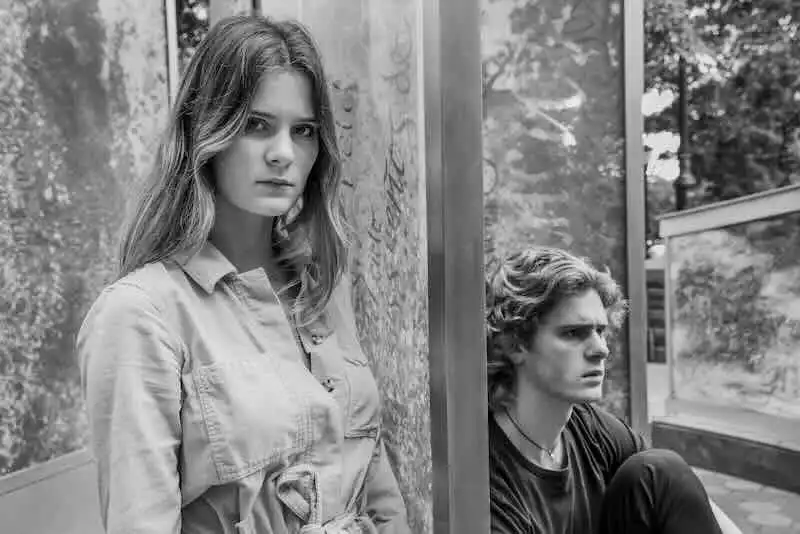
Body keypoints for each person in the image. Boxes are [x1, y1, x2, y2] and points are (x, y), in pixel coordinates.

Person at [77, 15, 409, 534]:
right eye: (256, 125)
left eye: (303, 131)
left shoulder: (324, 286)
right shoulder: (142, 315)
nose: (283, 153)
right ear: (206, 132)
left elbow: (370, 463)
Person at [485, 247, 741, 534]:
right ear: (514, 344)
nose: (601, 349)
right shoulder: (488, 480)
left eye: (601, 331)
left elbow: (687, 497)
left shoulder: (588, 427)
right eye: (573, 333)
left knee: (659, 470)